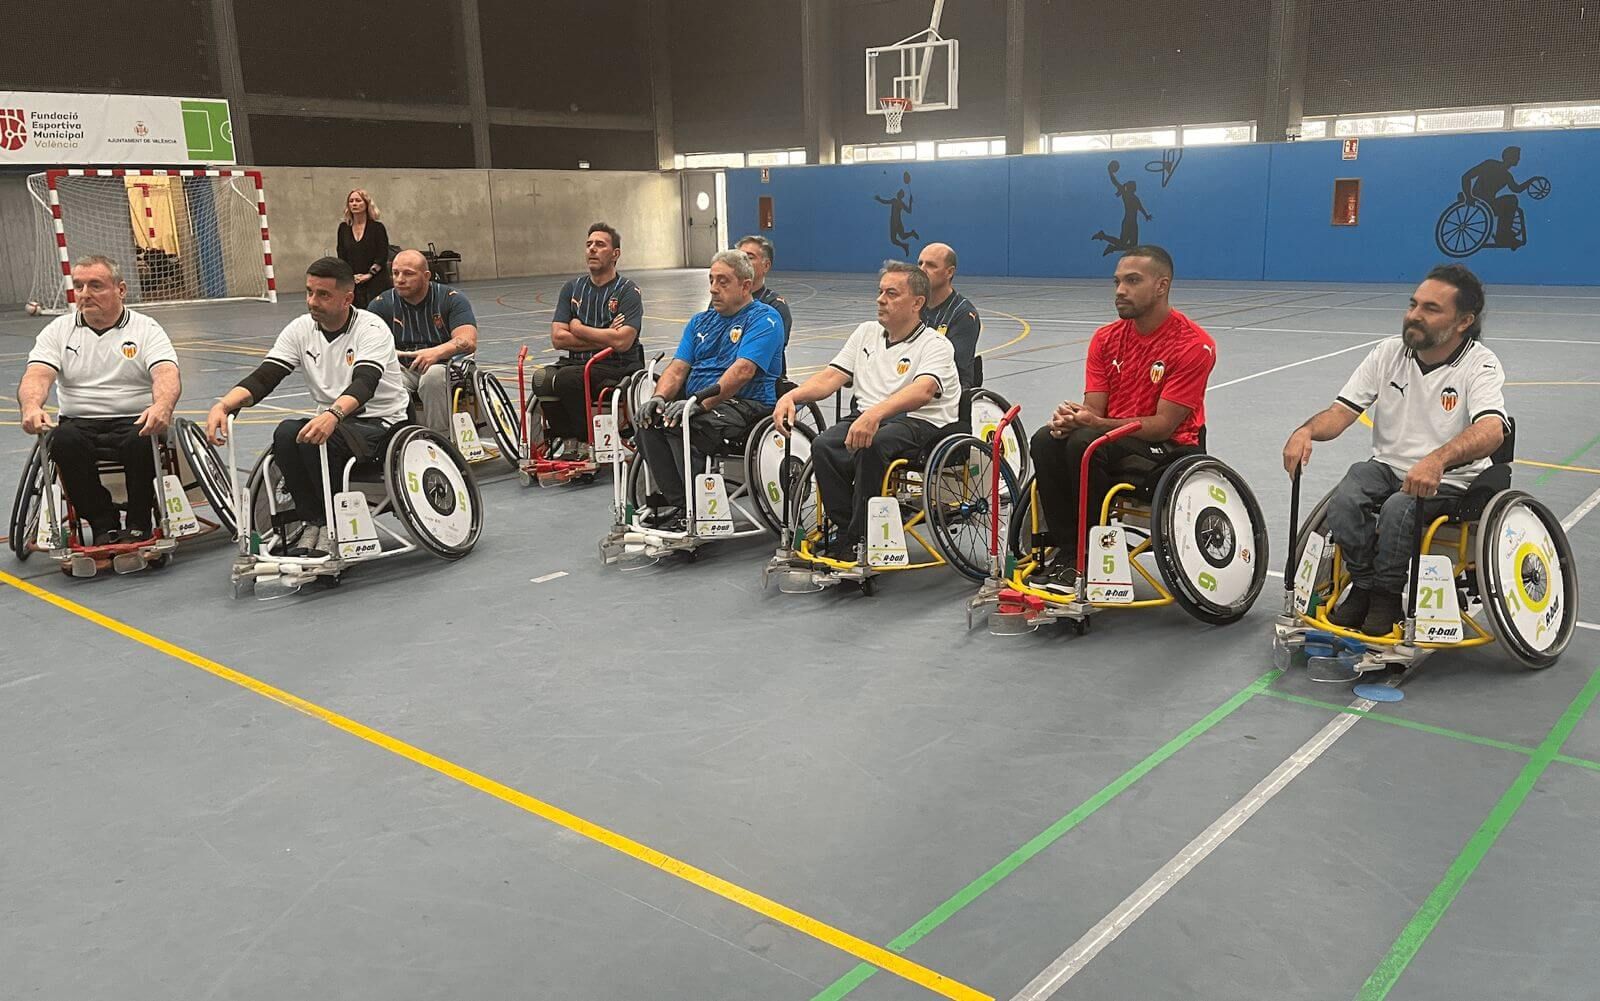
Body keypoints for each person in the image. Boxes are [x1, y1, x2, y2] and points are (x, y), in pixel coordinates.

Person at [1282, 264, 1506, 635]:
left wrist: (1436, 459)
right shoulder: (1388, 353)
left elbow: (1492, 429)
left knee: (1398, 508)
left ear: (1464, 321)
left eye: (1431, 309)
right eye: (1413, 304)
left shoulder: (1479, 363)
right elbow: (1340, 413)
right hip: (1389, 468)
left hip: (1451, 479)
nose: (1414, 315)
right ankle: (1365, 584)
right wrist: (1304, 432)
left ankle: (1385, 596)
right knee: (1350, 491)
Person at [1028, 245, 1215, 588]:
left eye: (1132, 281)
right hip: (1111, 438)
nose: (1120, 291)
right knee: (1045, 439)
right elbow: (1094, 410)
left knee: (1087, 444)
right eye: (1117, 282)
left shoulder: (1193, 345)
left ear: (1162, 286)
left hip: (1169, 448)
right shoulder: (1105, 339)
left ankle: (1093, 555)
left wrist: (1094, 425)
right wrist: (1073, 418)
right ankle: (1069, 551)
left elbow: (1162, 426)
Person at [205, 258, 409, 558]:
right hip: (333, 423)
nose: (312, 301)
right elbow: (265, 377)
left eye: (323, 295)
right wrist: (222, 405)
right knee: (287, 433)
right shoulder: (300, 329)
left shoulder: (371, 328)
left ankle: (334, 526)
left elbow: (364, 383)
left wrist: (333, 414)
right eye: (309, 292)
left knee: (323, 438)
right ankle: (314, 520)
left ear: (347, 298)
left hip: (381, 424)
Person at [774, 261, 959, 561]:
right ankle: (852, 532)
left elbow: (923, 390)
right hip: (869, 416)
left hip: (919, 421)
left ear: (917, 303)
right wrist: (792, 397)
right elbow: (831, 376)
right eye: (880, 291)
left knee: (872, 444)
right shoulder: (866, 333)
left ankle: (858, 539)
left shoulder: (936, 344)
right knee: (824, 445)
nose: (880, 299)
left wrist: (874, 415)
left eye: (891, 293)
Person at [17, 256, 180, 544]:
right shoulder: (58, 330)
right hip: (79, 421)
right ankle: (103, 523)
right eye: (79, 286)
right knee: (63, 441)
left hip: (135, 418)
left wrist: (162, 406)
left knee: (143, 438)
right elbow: (37, 375)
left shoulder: (146, 328)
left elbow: (166, 373)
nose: (84, 294)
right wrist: (31, 406)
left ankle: (139, 521)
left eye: (95, 285)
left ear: (121, 289)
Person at [634, 250, 784, 527]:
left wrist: (699, 404)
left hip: (747, 404)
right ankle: (679, 503)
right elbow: (678, 368)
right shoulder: (699, 322)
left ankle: (695, 508)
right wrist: (658, 397)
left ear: (745, 285)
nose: (714, 288)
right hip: (699, 402)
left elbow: (743, 372)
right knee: (648, 421)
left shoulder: (765, 319)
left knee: (685, 424)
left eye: (723, 281)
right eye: (711, 280)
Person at [535, 223, 644, 459]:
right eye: (588, 244)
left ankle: (587, 441)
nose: (592, 249)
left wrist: (579, 328)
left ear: (615, 254)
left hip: (618, 364)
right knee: (541, 379)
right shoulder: (572, 288)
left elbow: (623, 342)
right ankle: (569, 439)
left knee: (568, 379)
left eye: (600, 245)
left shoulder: (627, 291)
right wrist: (606, 337)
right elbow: (558, 338)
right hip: (579, 363)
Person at [366, 249, 479, 435]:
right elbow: (369, 346)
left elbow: (468, 340)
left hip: (447, 366)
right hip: (404, 367)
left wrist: (436, 353)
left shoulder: (452, 299)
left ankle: (440, 437)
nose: (400, 279)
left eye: (408, 273)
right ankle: (401, 436)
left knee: (432, 377)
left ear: (426, 276)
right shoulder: (381, 304)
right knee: (385, 381)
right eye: (395, 273)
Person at [917, 242, 982, 388]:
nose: (922, 270)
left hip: (948, 390)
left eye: (931, 265)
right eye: (920, 263)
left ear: (949, 272)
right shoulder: (913, 306)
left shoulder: (963, 314)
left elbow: (950, 368)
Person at [735, 235, 794, 374]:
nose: (742, 262)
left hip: (757, 383)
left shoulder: (776, 306)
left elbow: (759, 354)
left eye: (749, 257)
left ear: (766, 265)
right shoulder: (721, 300)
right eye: (738, 256)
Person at [1460, 146, 1534, 249]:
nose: (1519, 159)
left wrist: (1531, 181)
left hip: (1490, 204)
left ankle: (1504, 232)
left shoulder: (1507, 176)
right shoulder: (1490, 164)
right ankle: (1502, 235)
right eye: (1517, 156)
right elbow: (1466, 177)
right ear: (1509, 157)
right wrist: (1468, 196)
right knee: (1511, 200)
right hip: (1481, 201)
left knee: (1511, 200)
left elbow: (1517, 189)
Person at [336, 189, 391, 309]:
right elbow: (341, 255)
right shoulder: (343, 228)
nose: (354, 204)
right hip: (353, 281)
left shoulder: (377, 228)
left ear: (366, 204)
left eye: (358, 200)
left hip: (376, 280)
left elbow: (382, 255)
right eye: (351, 201)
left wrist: (369, 275)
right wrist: (351, 276)